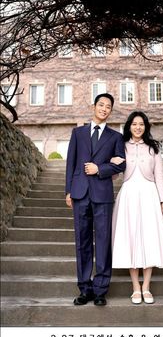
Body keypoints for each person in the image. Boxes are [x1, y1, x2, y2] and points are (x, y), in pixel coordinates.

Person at [111, 111, 163, 304]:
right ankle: (135, 287)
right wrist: (111, 163)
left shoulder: (153, 148)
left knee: (149, 238)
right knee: (130, 238)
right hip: (128, 195)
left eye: (141, 124)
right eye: (134, 124)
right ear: (129, 126)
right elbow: (114, 176)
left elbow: (159, 177)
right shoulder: (121, 146)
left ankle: (146, 287)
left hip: (149, 195)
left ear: (146, 126)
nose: (138, 127)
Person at [65, 93, 126, 306]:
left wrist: (100, 168)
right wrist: (68, 191)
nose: (104, 109)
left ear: (111, 111)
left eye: (108, 106)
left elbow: (121, 165)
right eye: (101, 105)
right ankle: (85, 288)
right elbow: (70, 163)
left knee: (102, 241)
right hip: (80, 192)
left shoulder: (116, 137)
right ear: (94, 106)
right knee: (82, 242)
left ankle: (100, 289)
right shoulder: (78, 133)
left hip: (102, 195)